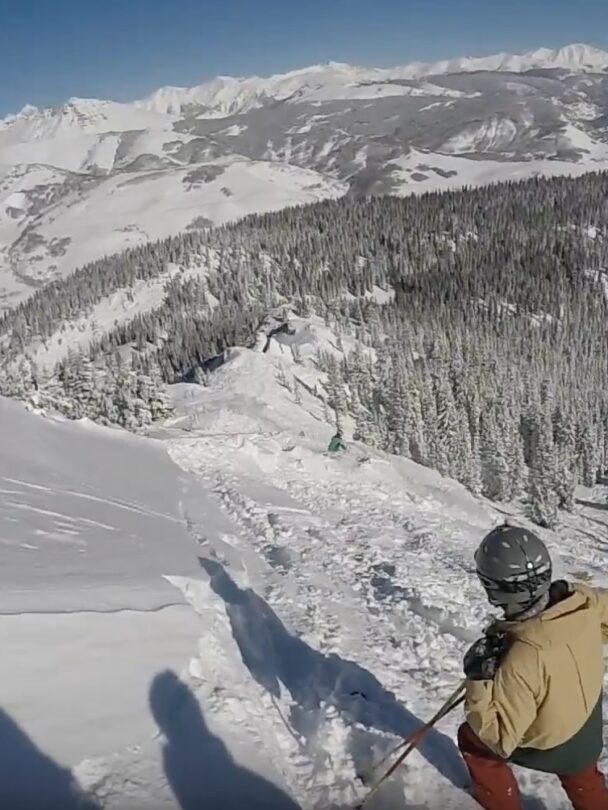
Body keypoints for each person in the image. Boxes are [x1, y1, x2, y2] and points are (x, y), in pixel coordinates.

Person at [458, 523, 608, 810]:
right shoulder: (583, 603)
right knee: (583, 777)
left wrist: (478, 680)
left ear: (494, 588)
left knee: (472, 739)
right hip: (587, 733)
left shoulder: (524, 655)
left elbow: (500, 738)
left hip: (553, 746)